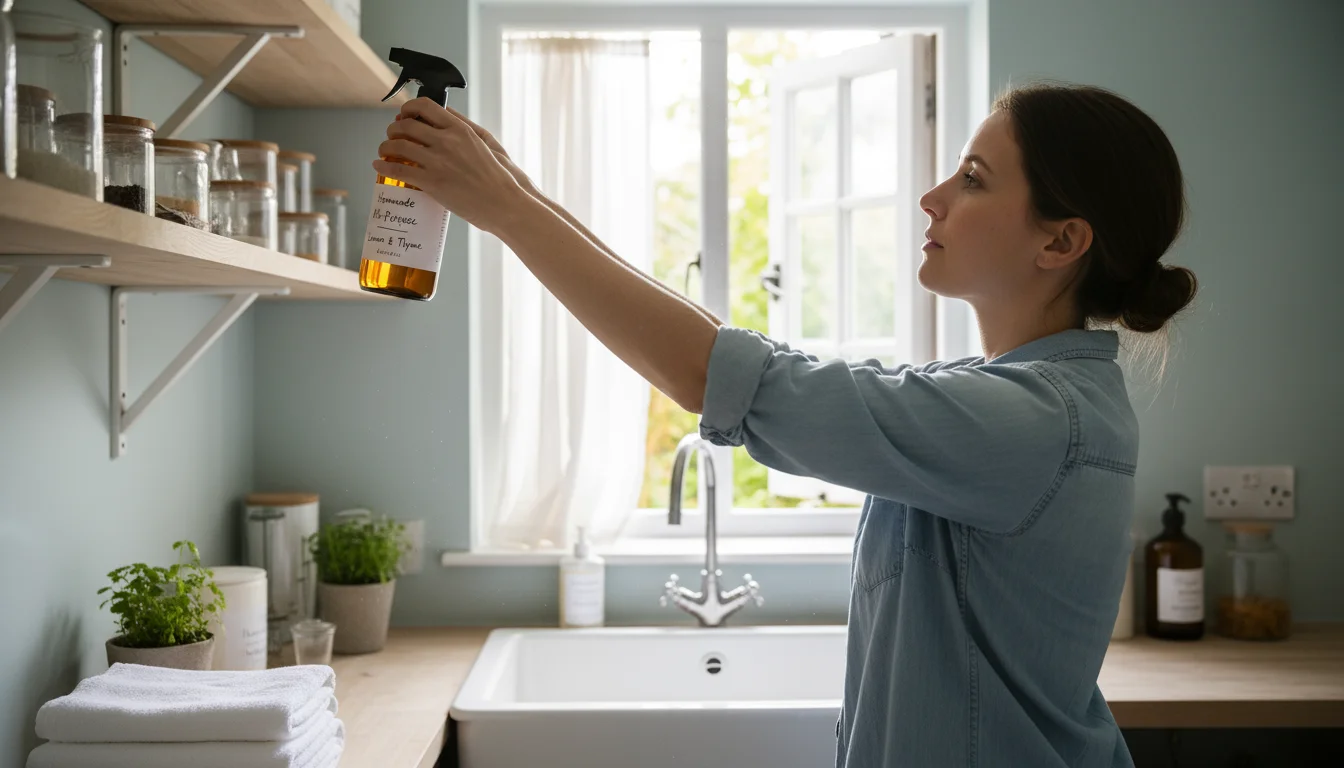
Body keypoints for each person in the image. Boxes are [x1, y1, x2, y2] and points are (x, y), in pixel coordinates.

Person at [377, 82, 1198, 767]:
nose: (933, 196)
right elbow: (735, 361)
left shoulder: (1033, 422)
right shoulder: (993, 397)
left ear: (1061, 240)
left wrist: (507, 210)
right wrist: (510, 190)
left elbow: (718, 374)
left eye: (975, 179)